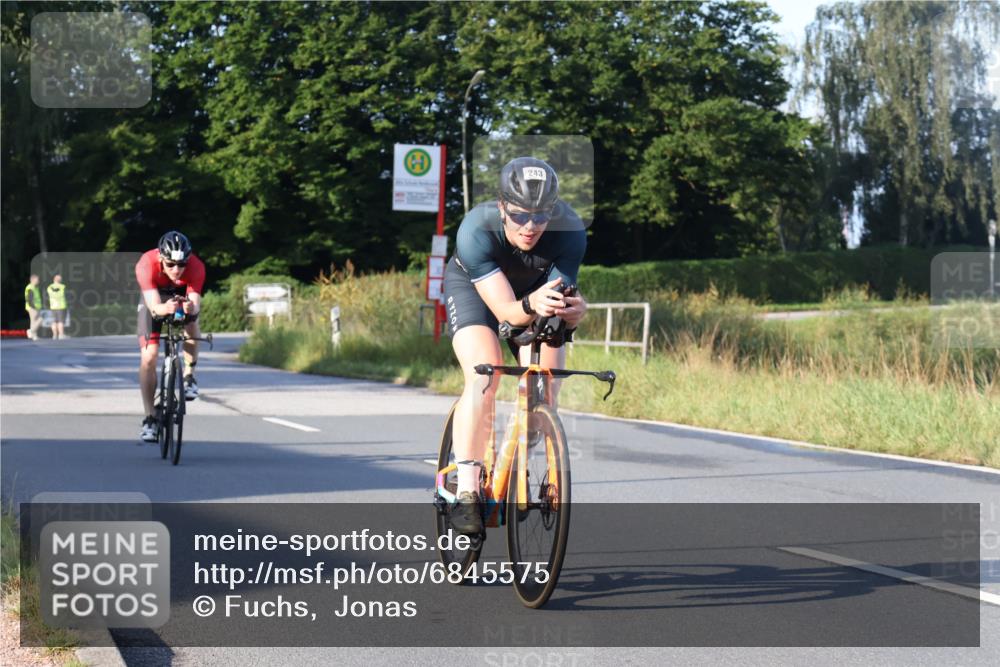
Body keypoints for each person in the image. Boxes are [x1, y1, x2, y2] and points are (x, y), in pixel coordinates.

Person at [443, 156, 588, 534]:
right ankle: (469, 491)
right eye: (521, 215)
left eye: (541, 217)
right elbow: (507, 312)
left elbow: (557, 302)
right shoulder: (476, 229)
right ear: (503, 207)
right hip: (478, 293)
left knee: (545, 383)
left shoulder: (569, 230)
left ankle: (520, 458)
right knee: (485, 374)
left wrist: (574, 311)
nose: (531, 226)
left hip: (532, 294)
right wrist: (530, 305)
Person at [135, 231, 206, 442]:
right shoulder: (146, 264)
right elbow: (154, 308)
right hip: (154, 302)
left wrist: (189, 308)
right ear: (160, 259)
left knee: (192, 324)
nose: (177, 270)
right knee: (149, 356)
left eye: (181, 264)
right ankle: (150, 417)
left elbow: (195, 305)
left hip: (180, 298)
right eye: (170, 264)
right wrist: (164, 308)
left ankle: (189, 375)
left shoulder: (196, 266)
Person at [46, 274, 68, 339]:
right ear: (60, 280)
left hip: (53, 306)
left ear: (54, 279)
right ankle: (61, 335)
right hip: (61, 306)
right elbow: (62, 295)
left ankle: (54, 335)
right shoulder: (62, 286)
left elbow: (50, 295)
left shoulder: (49, 287)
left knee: (54, 321)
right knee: (60, 321)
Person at [24, 274, 42, 340]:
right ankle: (31, 331)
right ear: (33, 280)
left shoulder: (35, 287)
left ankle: (34, 336)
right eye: (37, 279)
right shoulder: (30, 287)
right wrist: (34, 307)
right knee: (40, 319)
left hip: (36, 307)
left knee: (33, 322)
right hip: (33, 308)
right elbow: (29, 299)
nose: (38, 281)